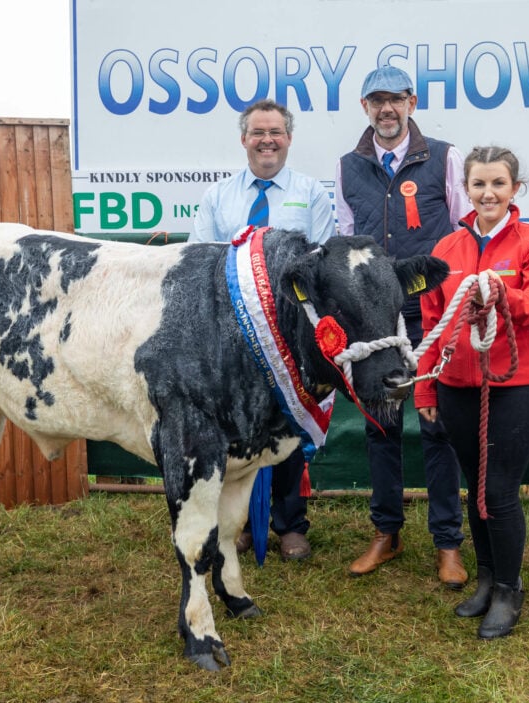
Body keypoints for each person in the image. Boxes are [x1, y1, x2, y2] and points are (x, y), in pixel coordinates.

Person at [416, 146, 529, 638]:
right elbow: (432, 323)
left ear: (514, 189)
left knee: (497, 492)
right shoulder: (446, 249)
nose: (488, 193)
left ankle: (508, 589)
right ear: (467, 189)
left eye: (498, 183)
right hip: (457, 385)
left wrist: (505, 294)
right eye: (479, 184)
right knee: (473, 489)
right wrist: (425, 393)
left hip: (515, 387)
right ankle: (485, 578)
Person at [335, 65, 472, 588]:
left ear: (411, 102)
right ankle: (386, 532)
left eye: (395, 99)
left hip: (432, 314)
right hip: (376, 320)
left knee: (438, 428)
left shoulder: (443, 156)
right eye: (376, 101)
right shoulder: (349, 166)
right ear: (364, 107)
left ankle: (447, 543)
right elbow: (348, 244)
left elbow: (462, 232)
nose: (386, 109)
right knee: (381, 426)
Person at [191, 99, 335, 560]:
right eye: (258, 132)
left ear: (289, 138)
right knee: (235, 430)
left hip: (288, 339)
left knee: (286, 425)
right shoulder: (218, 198)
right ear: (244, 139)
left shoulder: (312, 194)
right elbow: (200, 261)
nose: (266, 140)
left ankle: (290, 524)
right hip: (231, 338)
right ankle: (240, 523)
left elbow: (321, 263)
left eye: (275, 131)